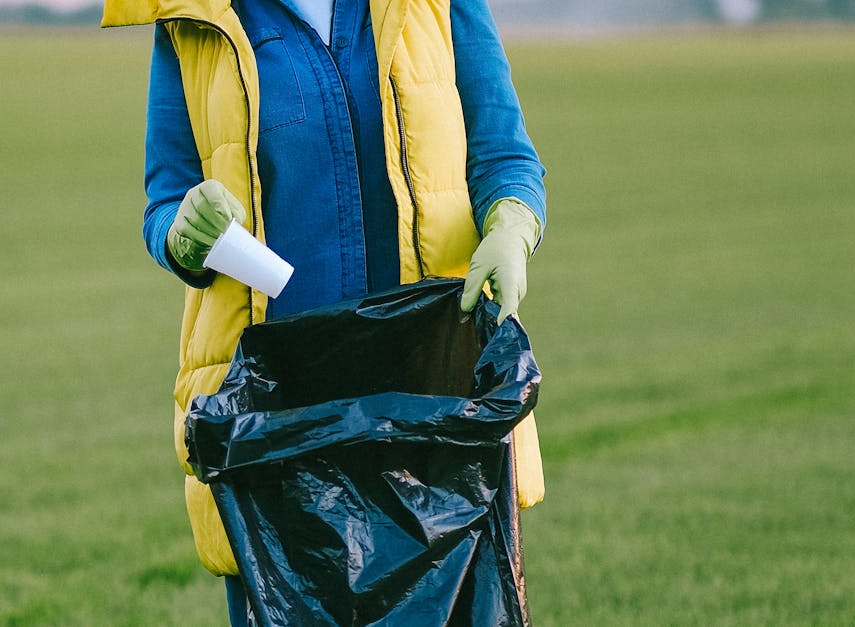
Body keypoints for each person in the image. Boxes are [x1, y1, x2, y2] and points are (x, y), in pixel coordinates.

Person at [102, 0, 548, 622]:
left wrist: (512, 226)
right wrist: (183, 233)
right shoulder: (193, 17)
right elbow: (166, 197)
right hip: (282, 427)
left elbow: (506, 157)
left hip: (429, 402)